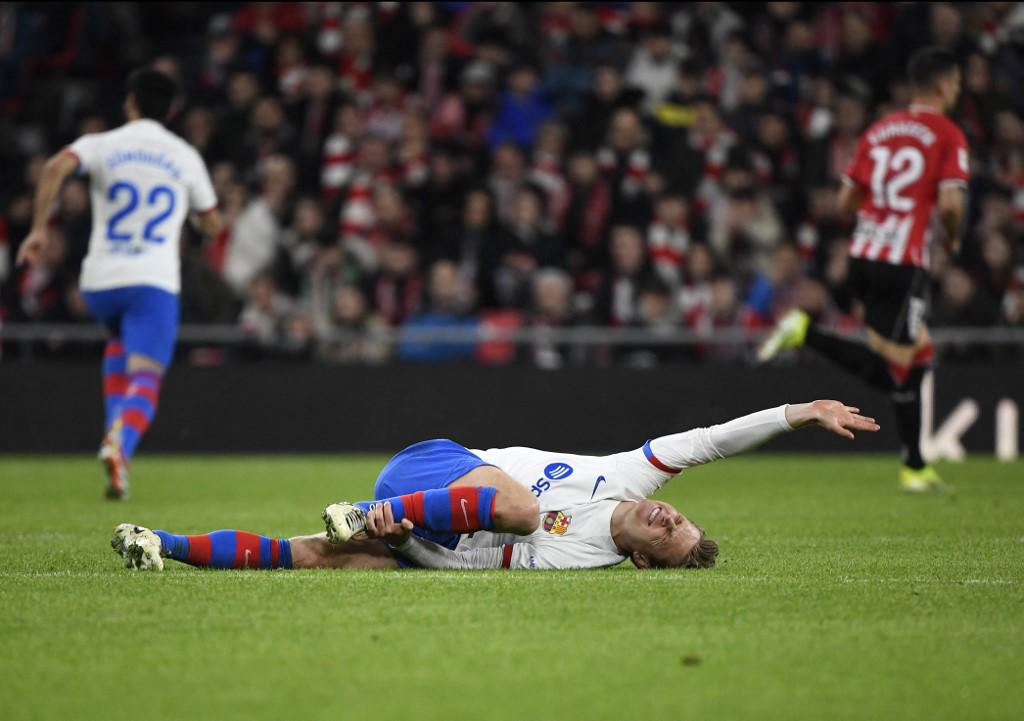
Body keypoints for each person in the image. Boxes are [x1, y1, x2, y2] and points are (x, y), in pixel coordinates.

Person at [111, 399, 879, 571]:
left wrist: (403, 542)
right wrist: (797, 413)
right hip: (432, 465)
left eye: (668, 535)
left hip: (427, 525)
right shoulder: (633, 474)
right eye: (680, 517)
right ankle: (369, 511)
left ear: (645, 559)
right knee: (521, 507)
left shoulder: (580, 561)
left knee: (307, 556)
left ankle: (158, 543)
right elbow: (711, 440)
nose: (668, 516)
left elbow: (471, 560)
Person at [758, 47, 968, 494]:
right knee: (895, 373)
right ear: (943, 85)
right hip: (901, 264)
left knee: (918, 356)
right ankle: (805, 331)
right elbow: (951, 204)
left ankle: (915, 465)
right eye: (956, 85)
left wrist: (881, 215)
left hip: (863, 255)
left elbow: (845, 201)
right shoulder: (947, 133)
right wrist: (951, 237)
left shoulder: (879, 131)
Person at [16, 69, 224, 499]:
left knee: (119, 344)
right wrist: (197, 217)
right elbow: (212, 222)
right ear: (172, 110)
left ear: (130, 102)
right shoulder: (184, 156)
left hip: (99, 282)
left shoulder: (103, 143)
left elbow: (55, 167)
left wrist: (38, 229)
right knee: (147, 375)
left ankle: (118, 468)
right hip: (152, 282)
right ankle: (120, 443)